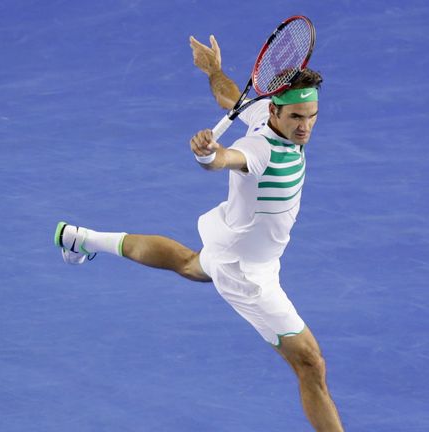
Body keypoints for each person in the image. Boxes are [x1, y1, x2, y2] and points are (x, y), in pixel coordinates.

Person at [53, 34, 344, 431]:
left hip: (234, 247)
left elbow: (229, 98)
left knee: (190, 263)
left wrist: (213, 70)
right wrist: (207, 154)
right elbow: (227, 158)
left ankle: (79, 238)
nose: (305, 126)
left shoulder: (262, 112)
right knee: (311, 364)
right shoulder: (261, 150)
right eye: (296, 118)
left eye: (312, 116)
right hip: (249, 274)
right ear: (276, 112)